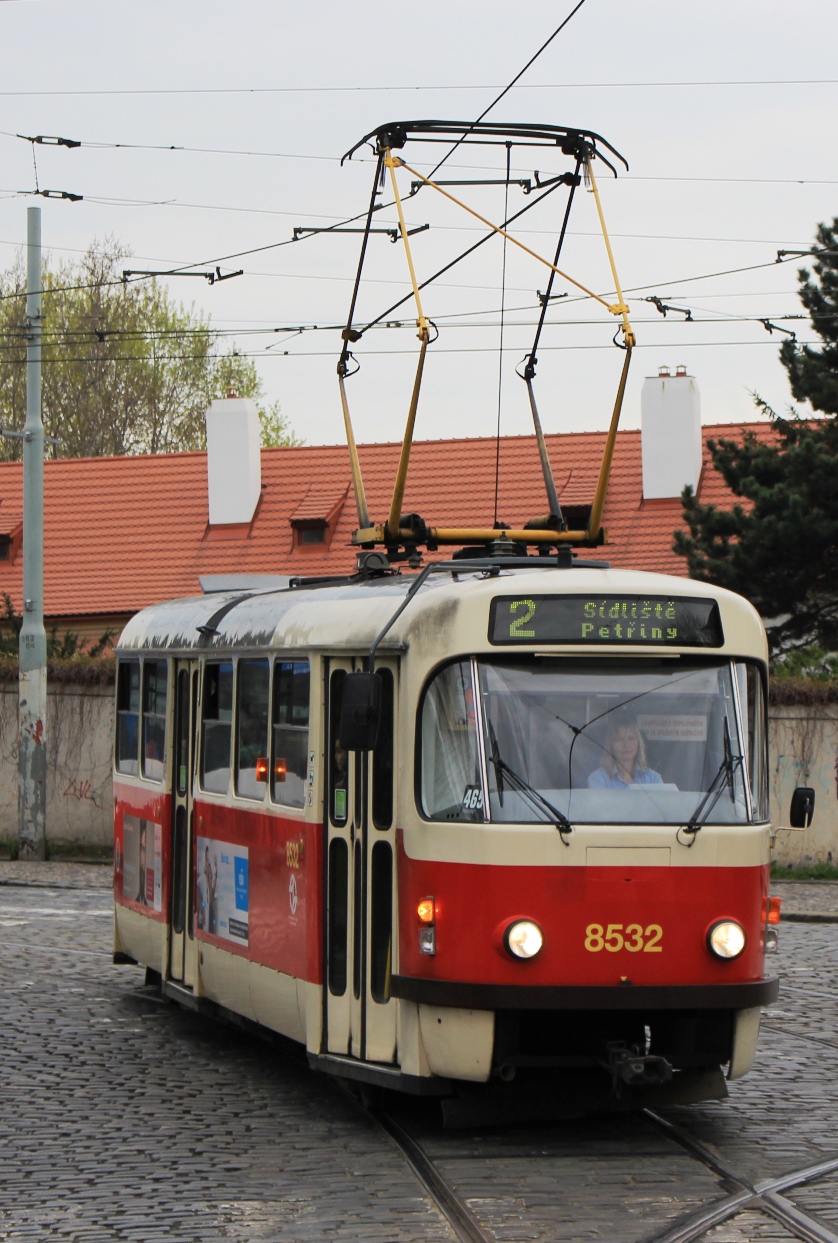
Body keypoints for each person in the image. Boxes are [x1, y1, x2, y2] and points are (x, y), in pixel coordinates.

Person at [588, 720, 663, 789]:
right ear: (610, 745)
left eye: (631, 738)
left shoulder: (653, 778)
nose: (626, 744)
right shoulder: (598, 779)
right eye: (619, 739)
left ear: (639, 743)